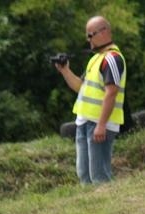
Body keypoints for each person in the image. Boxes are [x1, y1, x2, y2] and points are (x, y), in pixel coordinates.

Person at [54, 16, 127, 184]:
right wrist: (65, 71)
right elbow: (81, 87)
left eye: (90, 35)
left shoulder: (112, 59)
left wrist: (101, 125)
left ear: (104, 32)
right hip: (84, 122)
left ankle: (108, 200)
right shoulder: (95, 59)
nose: (88, 40)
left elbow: (111, 93)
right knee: (84, 175)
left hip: (99, 124)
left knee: (99, 176)